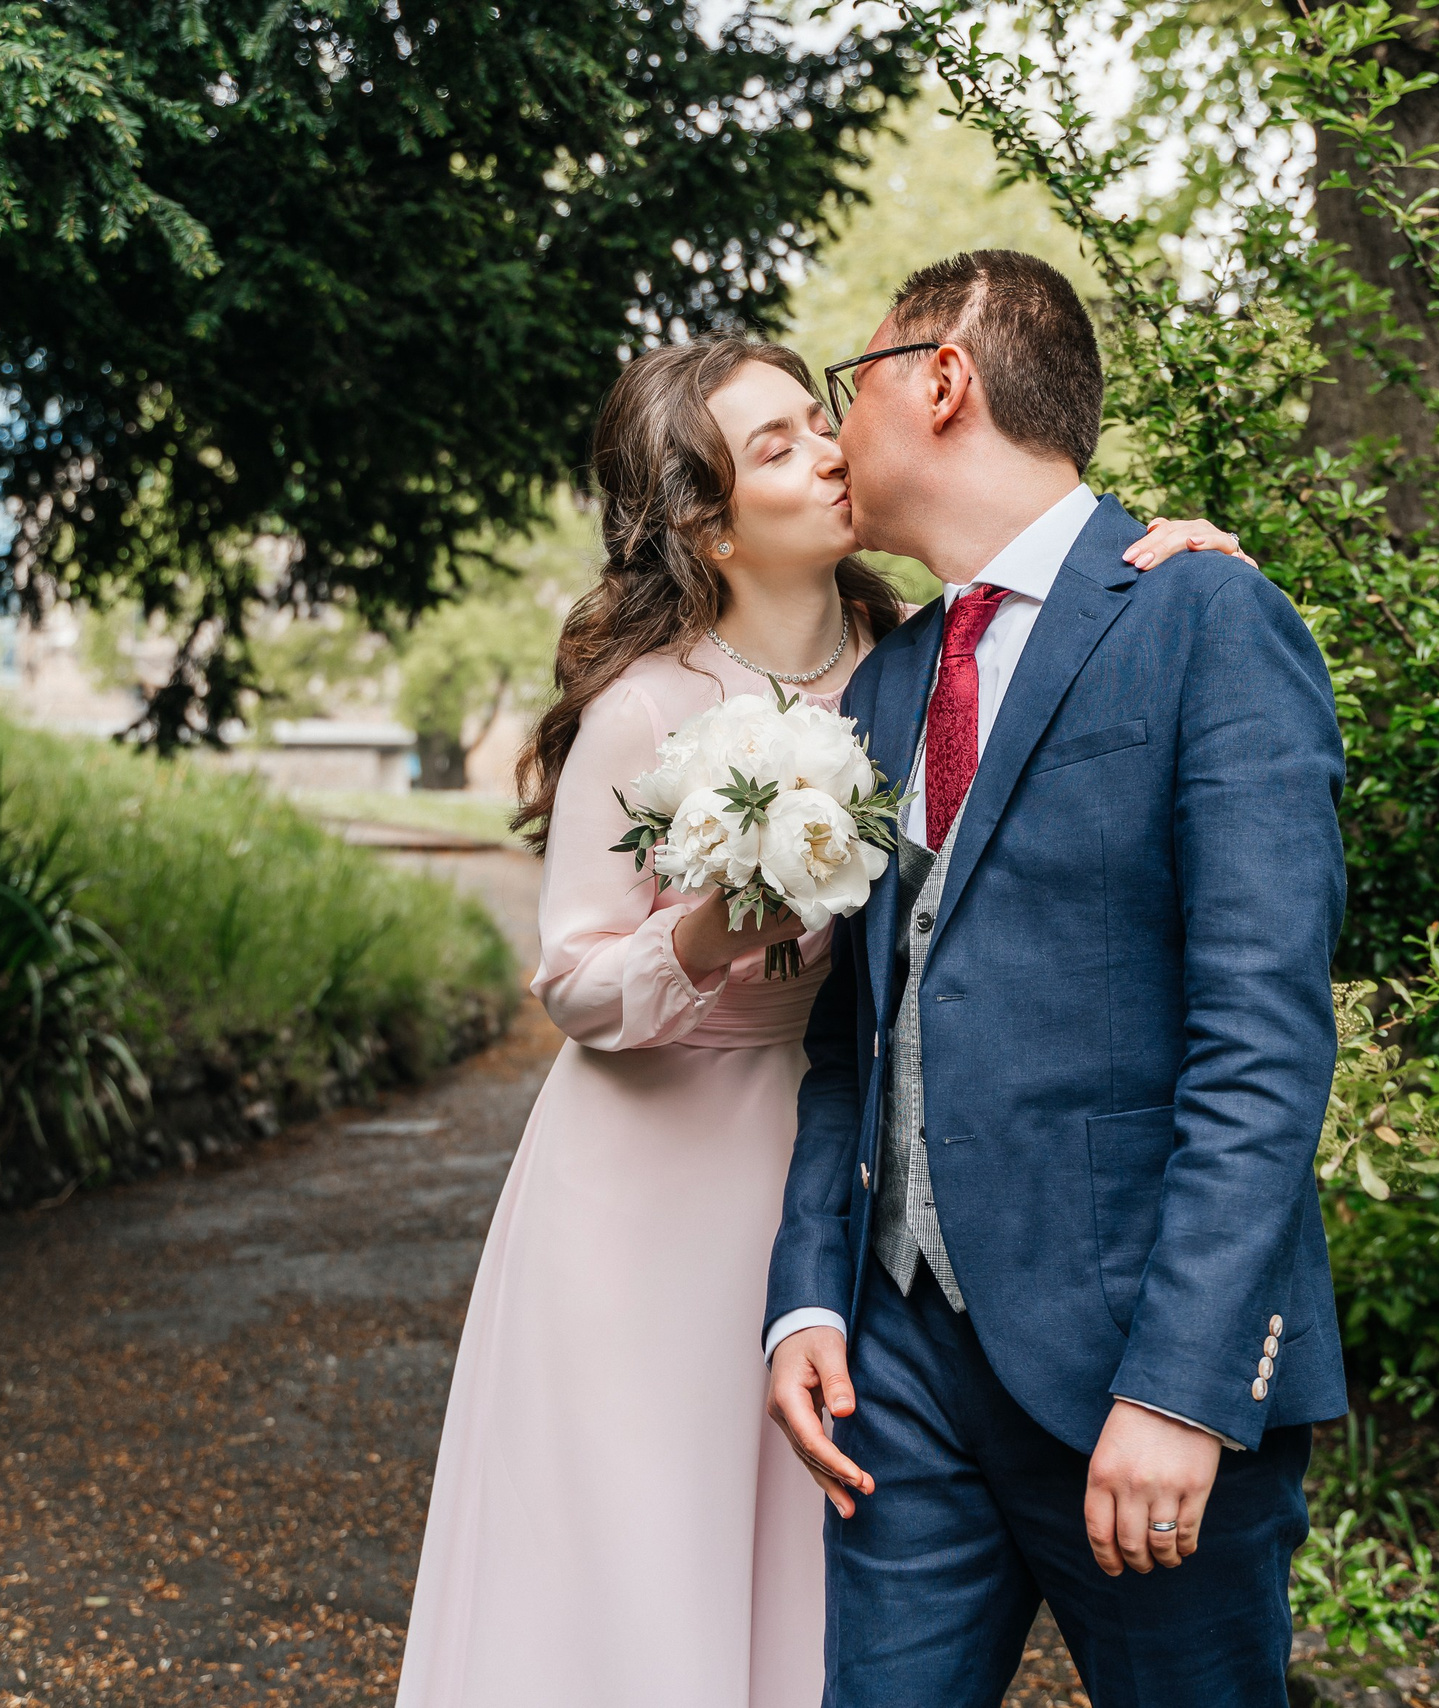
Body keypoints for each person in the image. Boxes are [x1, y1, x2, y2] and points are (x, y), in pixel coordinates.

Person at [392, 335, 1247, 1708]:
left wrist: (1174, 564)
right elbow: (571, 983)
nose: (832, 450)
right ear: (705, 524)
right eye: (777, 446)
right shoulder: (647, 707)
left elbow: (1052, 604)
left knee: (815, 1547)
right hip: (645, 1183)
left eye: (816, 418)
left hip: (828, 1165)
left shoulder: (911, 671)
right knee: (642, 1543)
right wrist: (714, 930)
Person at [763, 250, 1348, 1708]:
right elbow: (854, 1034)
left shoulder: (1207, 617)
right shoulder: (889, 684)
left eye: (855, 387)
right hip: (896, 1377)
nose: (836, 435)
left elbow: (1262, 1039)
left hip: (1134, 1378)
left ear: (942, 378)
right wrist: (809, 1304)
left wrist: (1180, 1389)